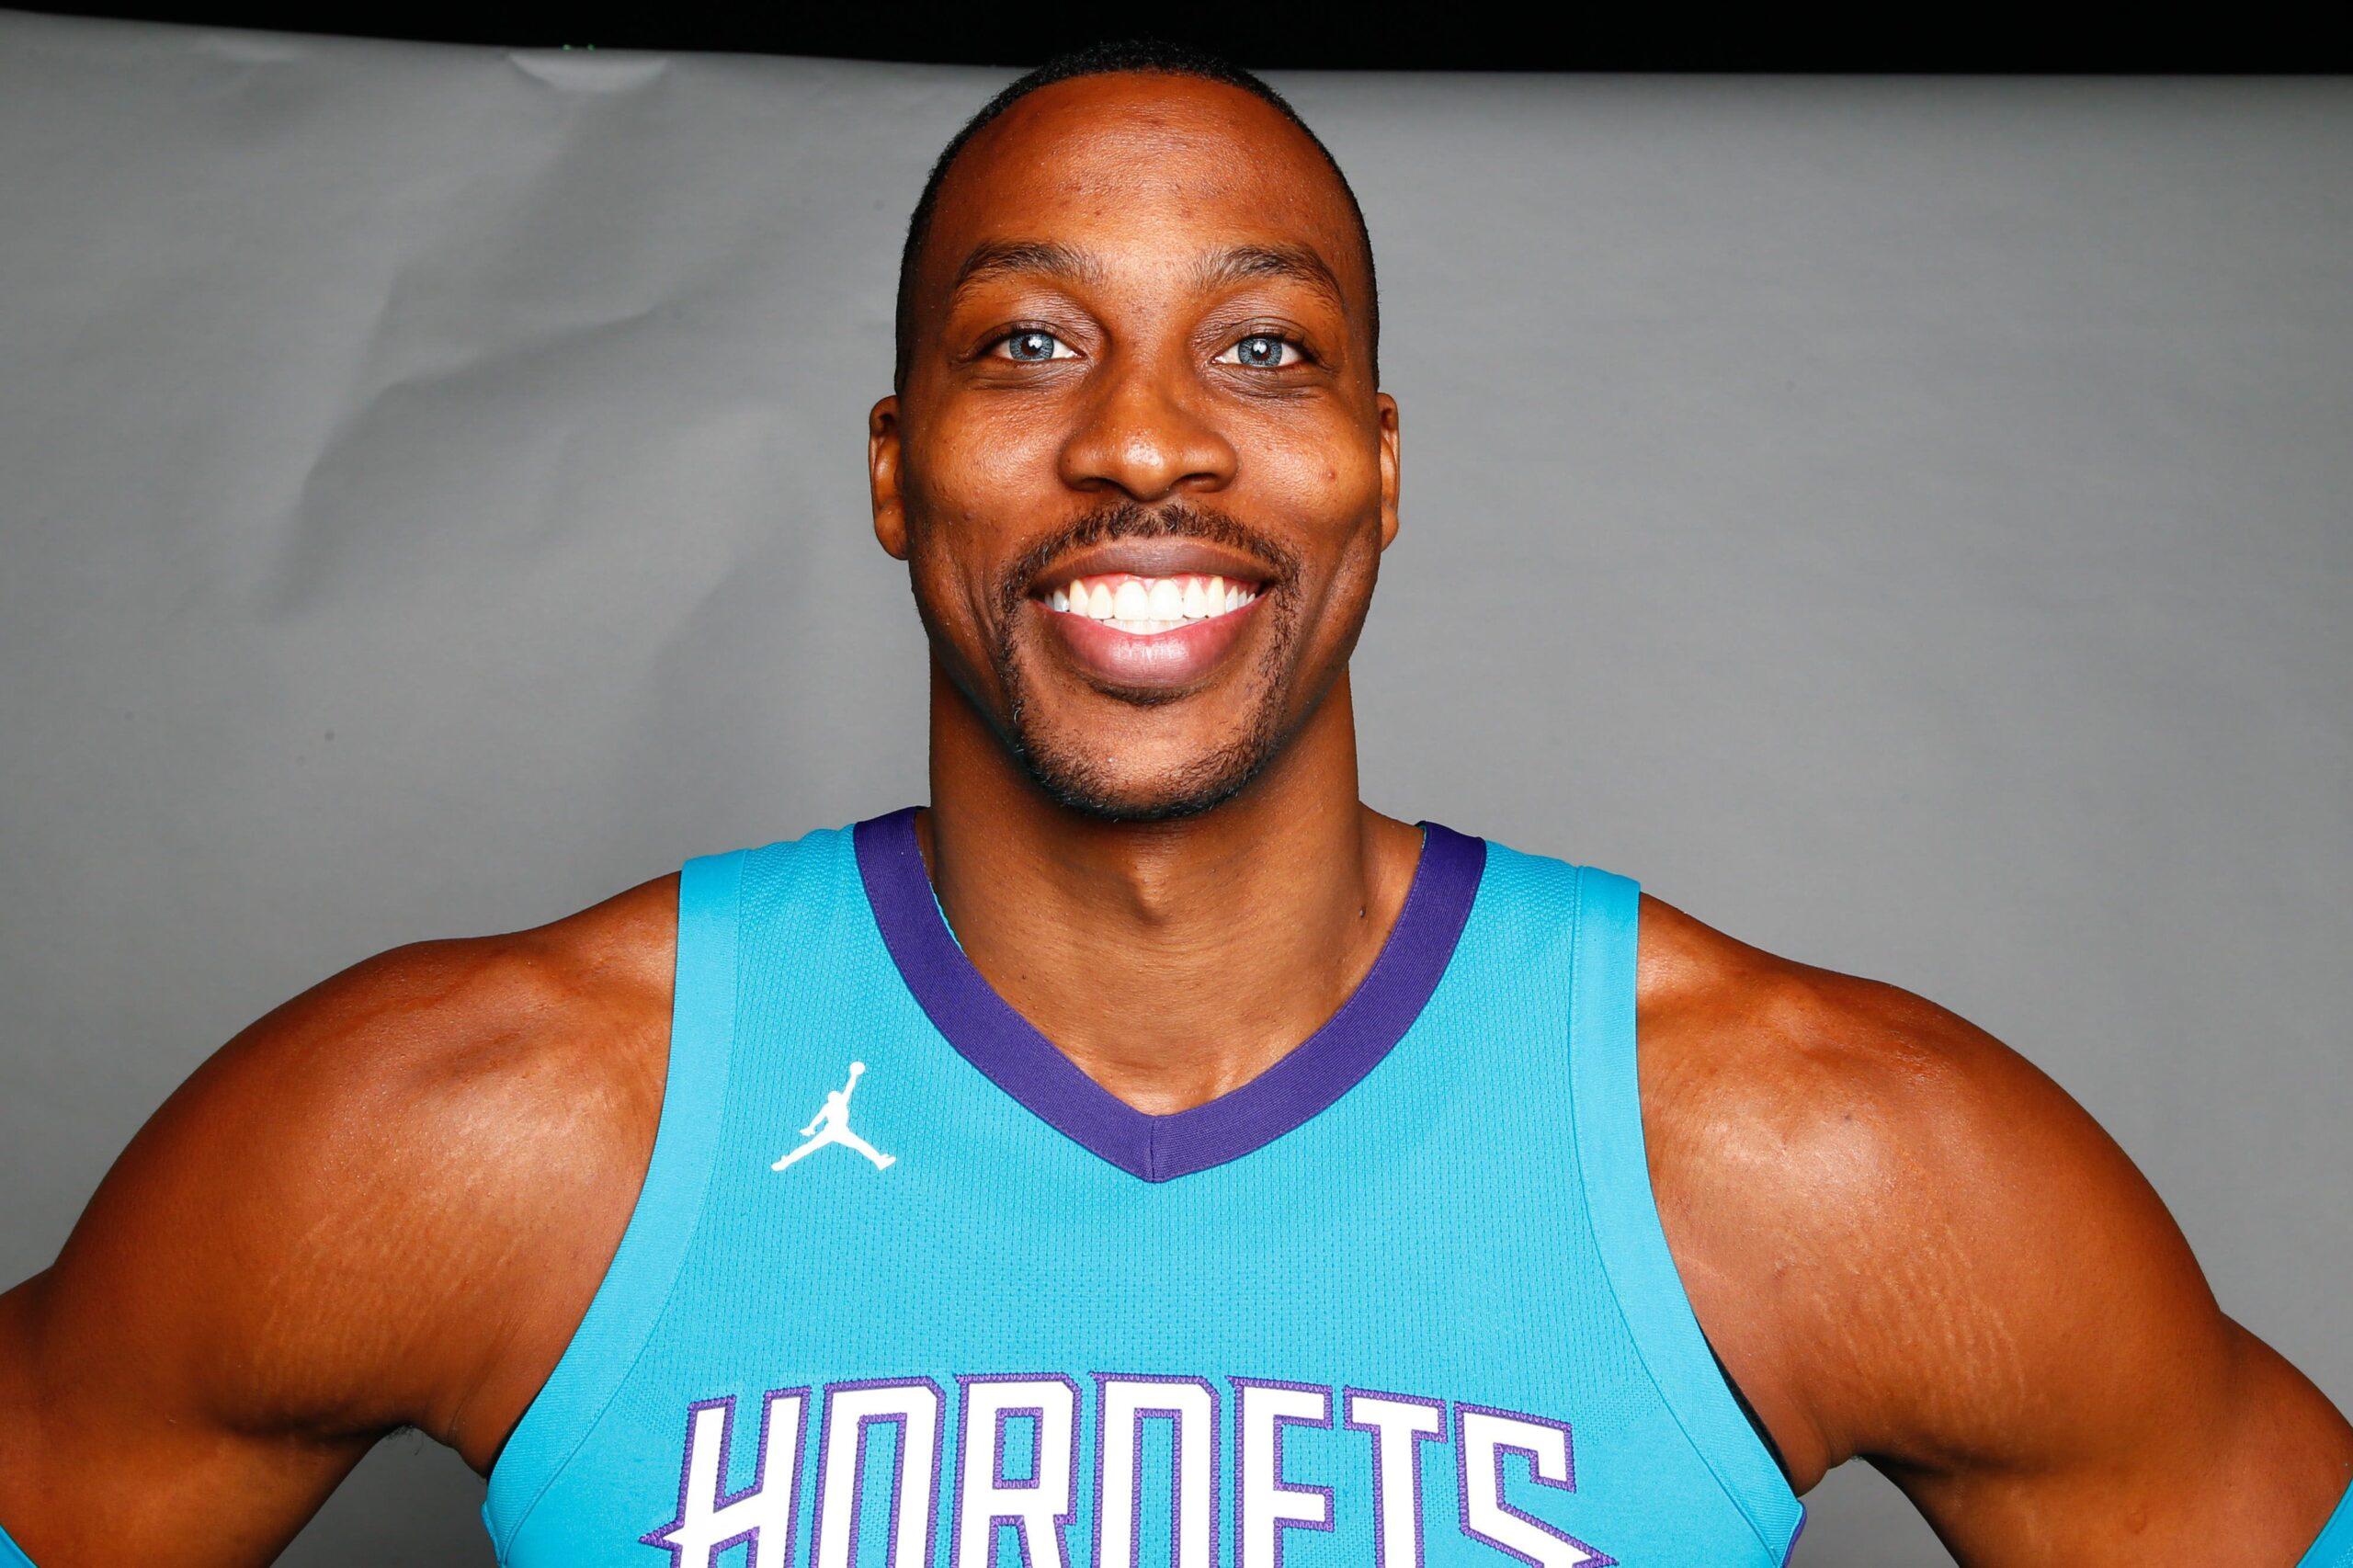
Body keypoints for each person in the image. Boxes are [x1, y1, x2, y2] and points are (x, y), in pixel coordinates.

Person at [1, 38, 2347, 1568]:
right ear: (897, 470)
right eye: (1029, 343)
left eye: (1262, 347)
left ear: (1377, 469)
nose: (1142, 439)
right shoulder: (481, 1130)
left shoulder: (1804, 1158)